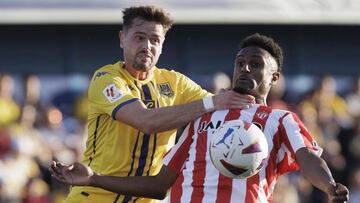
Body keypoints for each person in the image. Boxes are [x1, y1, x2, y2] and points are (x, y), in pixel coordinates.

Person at [51, 33, 349, 202]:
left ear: (275, 76)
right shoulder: (203, 117)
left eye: (255, 64)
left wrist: (329, 186)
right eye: (240, 63)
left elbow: (308, 158)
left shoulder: (281, 120)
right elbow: (159, 185)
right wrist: (95, 178)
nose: (244, 69)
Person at [61, 5, 254, 203]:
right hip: (92, 198)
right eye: (139, 37)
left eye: (155, 40)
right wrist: (213, 102)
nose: (147, 46)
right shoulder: (106, 79)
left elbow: (219, 107)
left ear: (162, 45)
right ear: (122, 38)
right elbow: (145, 121)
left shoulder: (176, 82)